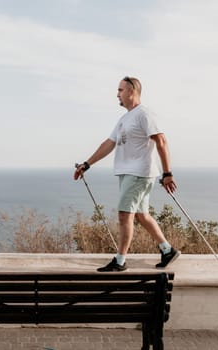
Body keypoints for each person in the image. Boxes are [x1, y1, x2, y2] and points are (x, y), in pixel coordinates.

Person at [74, 76, 180, 272]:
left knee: (125, 215)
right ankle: (167, 250)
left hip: (138, 173)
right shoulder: (124, 119)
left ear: (132, 92)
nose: (117, 94)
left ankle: (120, 261)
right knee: (141, 215)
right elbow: (109, 144)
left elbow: (161, 141)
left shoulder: (144, 114)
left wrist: (167, 173)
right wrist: (86, 164)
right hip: (128, 173)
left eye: (120, 90)